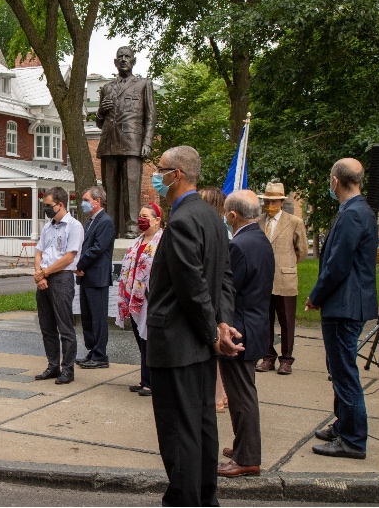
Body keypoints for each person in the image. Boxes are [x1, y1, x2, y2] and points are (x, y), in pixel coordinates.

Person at [146, 145, 241, 506]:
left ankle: (188, 498)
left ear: (177, 174)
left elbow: (193, 287)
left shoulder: (185, 220)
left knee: (179, 433)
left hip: (179, 344)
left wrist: (212, 332)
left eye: (160, 169)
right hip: (198, 345)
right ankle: (202, 496)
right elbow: (223, 280)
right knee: (202, 426)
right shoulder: (211, 218)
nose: (157, 176)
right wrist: (222, 324)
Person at [306, 158, 378, 460]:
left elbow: (337, 264)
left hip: (344, 305)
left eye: (330, 178)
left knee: (344, 373)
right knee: (339, 370)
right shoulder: (359, 211)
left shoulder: (353, 215)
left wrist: (316, 295)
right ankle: (343, 424)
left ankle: (352, 439)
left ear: (336, 180)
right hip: (348, 303)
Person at [217, 190, 275, 477]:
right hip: (255, 324)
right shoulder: (260, 239)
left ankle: (247, 457)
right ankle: (243, 446)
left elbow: (229, 289)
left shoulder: (239, 245)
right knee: (242, 392)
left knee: (241, 397)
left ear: (233, 215)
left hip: (240, 329)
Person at [95, 46, 156, 239]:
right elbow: (99, 122)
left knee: (131, 188)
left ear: (133, 61)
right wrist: (100, 112)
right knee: (109, 190)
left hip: (132, 143)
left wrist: (147, 142)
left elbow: (151, 116)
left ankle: (132, 227)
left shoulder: (143, 84)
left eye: (127, 57)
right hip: (109, 144)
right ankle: (110, 227)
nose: (123, 60)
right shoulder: (107, 88)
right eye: (119, 57)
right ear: (115, 62)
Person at [256, 182, 308, 375]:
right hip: (262, 280)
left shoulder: (294, 221)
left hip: (284, 278)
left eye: (274, 201)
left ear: (281, 202)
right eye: (267, 201)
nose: (270, 204)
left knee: (286, 321)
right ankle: (267, 356)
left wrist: (288, 264)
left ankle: (286, 359)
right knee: (264, 320)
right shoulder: (258, 221)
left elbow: (301, 251)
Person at [33, 186, 84, 385]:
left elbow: (69, 256)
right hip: (44, 280)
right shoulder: (48, 227)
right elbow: (39, 252)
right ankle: (53, 365)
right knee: (47, 326)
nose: (45, 209)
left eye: (48, 206)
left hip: (62, 279)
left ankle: (67, 369)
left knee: (65, 326)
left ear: (60, 204)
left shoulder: (74, 226)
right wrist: (40, 274)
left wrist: (45, 272)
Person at [117, 202, 163, 397]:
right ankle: (145, 378)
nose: (141, 220)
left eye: (145, 216)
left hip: (151, 298)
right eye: (140, 216)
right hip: (135, 298)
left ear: (157, 219)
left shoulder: (162, 241)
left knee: (150, 341)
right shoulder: (138, 241)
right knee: (140, 340)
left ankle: (152, 382)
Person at [75, 186, 116, 369]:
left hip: (97, 277)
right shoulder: (91, 221)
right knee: (88, 317)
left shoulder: (105, 221)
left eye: (86, 199)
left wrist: (79, 264)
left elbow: (97, 249)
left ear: (97, 201)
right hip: (87, 277)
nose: (83, 203)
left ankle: (100, 355)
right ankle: (92, 351)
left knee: (98, 318)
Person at [199, 186, 230, 413]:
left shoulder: (220, 232)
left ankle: (219, 393)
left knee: (216, 347)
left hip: (215, 298)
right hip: (211, 296)